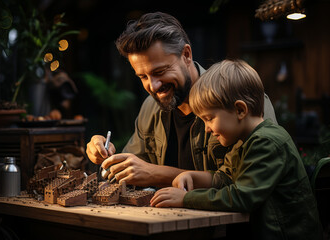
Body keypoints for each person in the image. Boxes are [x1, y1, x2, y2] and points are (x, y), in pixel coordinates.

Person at [86, 12, 277, 187]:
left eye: (159, 72)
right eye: (143, 77)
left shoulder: (239, 98)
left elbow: (253, 182)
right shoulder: (150, 108)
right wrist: (107, 158)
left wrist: (158, 175)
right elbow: (131, 170)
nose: (152, 86)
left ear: (186, 55)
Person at [149, 59, 322, 239]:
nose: (207, 128)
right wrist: (192, 176)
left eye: (209, 118)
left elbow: (243, 197)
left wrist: (186, 199)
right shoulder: (243, 141)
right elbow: (226, 177)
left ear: (240, 110)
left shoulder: (266, 143)